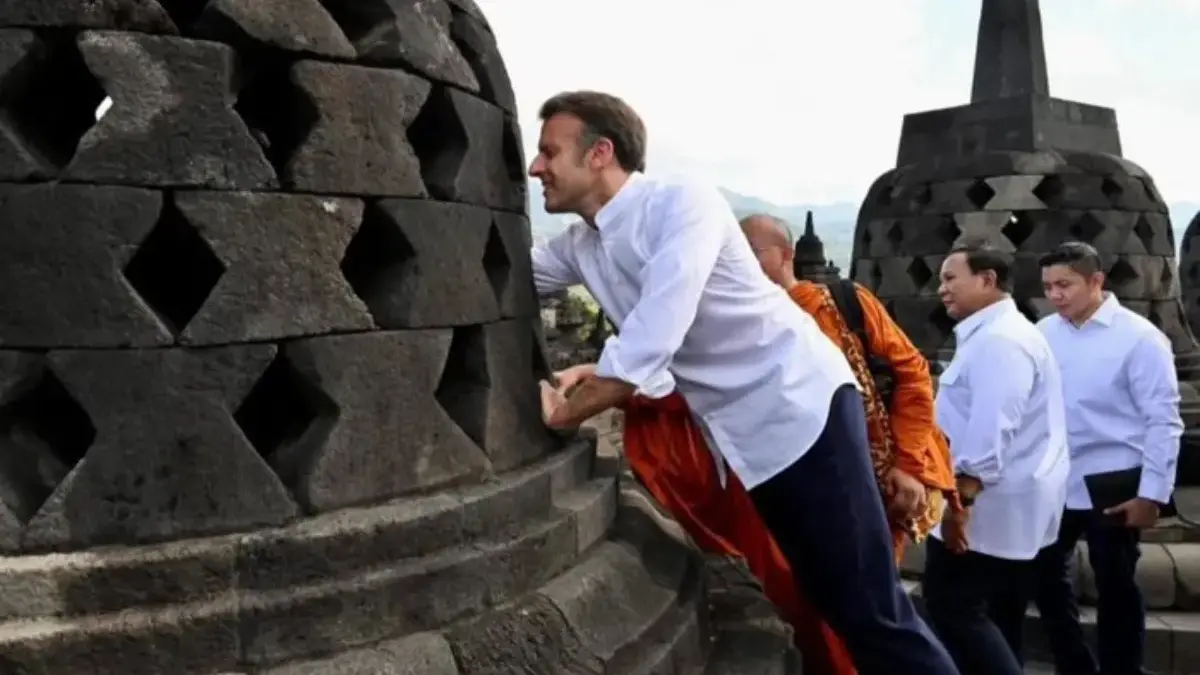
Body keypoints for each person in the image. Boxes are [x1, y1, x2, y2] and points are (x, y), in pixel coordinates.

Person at [528, 89, 958, 675]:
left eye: (549, 152)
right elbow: (513, 273)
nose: (537, 168)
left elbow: (656, 333)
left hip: (804, 412)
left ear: (600, 152)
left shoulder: (682, 204)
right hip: (748, 440)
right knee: (824, 597)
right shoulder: (585, 244)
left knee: (870, 608)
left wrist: (568, 410)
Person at [740, 213, 958, 562]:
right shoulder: (745, 327)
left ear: (785, 254)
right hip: (800, 483)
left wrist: (908, 464)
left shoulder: (845, 303)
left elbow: (912, 374)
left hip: (876, 475)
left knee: (873, 582)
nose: (744, 262)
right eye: (735, 253)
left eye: (753, 251)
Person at [1033, 241, 1183, 675]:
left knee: (1115, 584)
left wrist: (1152, 493)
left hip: (1115, 479)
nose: (1056, 295)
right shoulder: (1043, 333)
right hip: (1057, 478)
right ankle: (1075, 664)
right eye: (1048, 287)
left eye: (1065, 285)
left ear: (1096, 280)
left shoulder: (1139, 338)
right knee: (1042, 576)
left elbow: (1163, 419)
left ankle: (1123, 670)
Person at [922, 237, 1070, 675]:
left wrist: (959, 503)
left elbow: (992, 428)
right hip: (1001, 508)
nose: (941, 289)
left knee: (955, 609)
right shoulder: (993, 335)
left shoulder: (1002, 341)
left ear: (987, 279)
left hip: (984, 509)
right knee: (994, 618)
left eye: (951, 278)